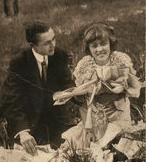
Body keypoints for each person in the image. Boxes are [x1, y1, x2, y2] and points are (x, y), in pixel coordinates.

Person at [59, 22, 141, 151]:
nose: (99, 49)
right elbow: (84, 102)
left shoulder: (120, 61)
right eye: (94, 46)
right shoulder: (85, 66)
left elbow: (133, 89)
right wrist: (88, 127)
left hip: (118, 114)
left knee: (118, 144)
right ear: (89, 49)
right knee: (82, 143)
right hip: (94, 116)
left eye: (103, 44)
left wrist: (119, 88)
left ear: (110, 44)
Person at [1, 21, 75, 155]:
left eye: (54, 39)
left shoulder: (59, 55)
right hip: (30, 123)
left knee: (72, 151)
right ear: (32, 45)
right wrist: (23, 131)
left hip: (57, 119)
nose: (53, 45)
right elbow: (11, 100)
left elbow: (67, 83)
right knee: (28, 158)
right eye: (47, 43)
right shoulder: (19, 62)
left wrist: (70, 92)